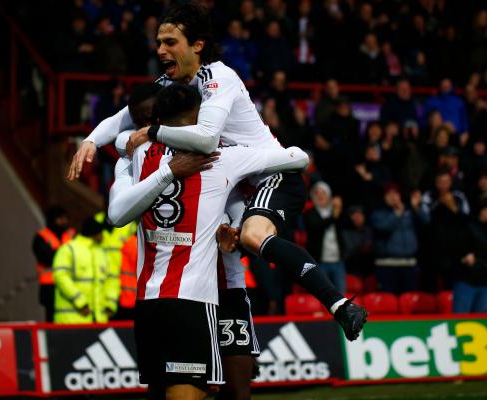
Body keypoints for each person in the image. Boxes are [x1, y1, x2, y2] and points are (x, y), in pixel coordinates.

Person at [68, 3, 367, 342]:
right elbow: (123, 117)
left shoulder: (218, 77)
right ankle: (232, 348)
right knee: (224, 246)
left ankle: (339, 305)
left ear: (197, 45)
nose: (160, 50)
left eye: (170, 42)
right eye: (159, 42)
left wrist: (151, 133)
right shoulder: (170, 81)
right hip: (233, 181)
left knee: (251, 238)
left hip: (268, 173)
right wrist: (91, 141)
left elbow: (207, 138)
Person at [111, 84, 309, 400]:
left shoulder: (136, 155)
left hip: (153, 298)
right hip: (193, 299)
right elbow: (298, 158)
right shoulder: (221, 156)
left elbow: (117, 206)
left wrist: (233, 220)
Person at [52, 216, 119, 323]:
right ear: (95, 233)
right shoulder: (68, 250)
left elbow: (111, 280)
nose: (104, 236)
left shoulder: (102, 254)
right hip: (70, 321)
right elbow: (61, 277)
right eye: (102, 232)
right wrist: (80, 302)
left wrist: (110, 305)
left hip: (98, 321)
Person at [452, 198, 487, 313]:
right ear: (483, 211)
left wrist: (478, 262)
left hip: (486, 283)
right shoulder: (467, 227)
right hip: (466, 283)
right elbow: (459, 254)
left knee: (480, 322)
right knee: (460, 323)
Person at [32, 206, 74, 322]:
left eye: (66, 218)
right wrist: (64, 255)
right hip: (50, 284)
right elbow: (45, 258)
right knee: (51, 317)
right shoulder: (41, 236)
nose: (64, 221)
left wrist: (56, 253)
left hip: (68, 283)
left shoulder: (70, 234)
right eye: (60, 218)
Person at [304, 182, 346, 293]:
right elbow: (316, 227)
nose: (320, 195)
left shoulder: (337, 212)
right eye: (317, 193)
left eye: (323, 192)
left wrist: (339, 210)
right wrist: (334, 216)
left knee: (341, 294)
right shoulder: (310, 213)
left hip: (338, 261)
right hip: (320, 262)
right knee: (321, 293)